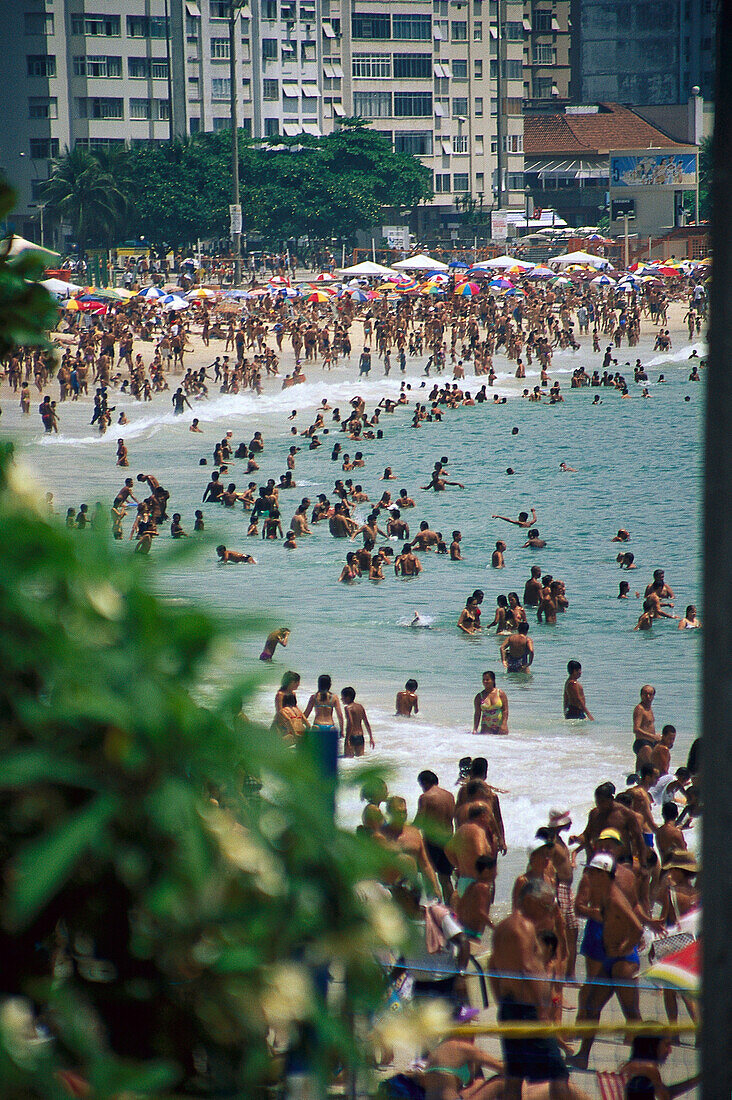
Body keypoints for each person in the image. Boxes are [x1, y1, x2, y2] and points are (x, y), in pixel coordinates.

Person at [489, 879, 572, 1099]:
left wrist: (502, 1002)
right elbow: (528, 969)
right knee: (558, 1074)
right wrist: (543, 1013)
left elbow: (492, 966)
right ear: (528, 901)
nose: (549, 913)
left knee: (515, 1077)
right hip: (529, 1012)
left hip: (511, 1008)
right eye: (546, 907)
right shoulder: (523, 927)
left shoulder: (503, 927)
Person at [569, 853, 644, 1070]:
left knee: (631, 1013)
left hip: (623, 962)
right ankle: (583, 1055)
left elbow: (637, 928)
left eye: (592, 872)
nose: (589, 875)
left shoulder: (613, 898)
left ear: (604, 874)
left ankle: (641, 1062)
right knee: (592, 1006)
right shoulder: (604, 896)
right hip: (611, 960)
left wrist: (623, 947)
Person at [415, 770, 456, 903]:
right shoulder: (449, 796)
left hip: (432, 842)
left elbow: (420, 821)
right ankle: (450, 909)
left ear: (424, 783)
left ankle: (434, 909)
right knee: (445, 878)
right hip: (449, 840)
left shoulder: (425, 797)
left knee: (429, 876)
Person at [304, 673, 344, 742]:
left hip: (317, 726)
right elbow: (340, 715)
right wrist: (342, 730)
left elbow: (306, 714)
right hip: (330, 726)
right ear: (329, 684)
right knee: (328, 751)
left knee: (317, 751)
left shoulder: (314, 697)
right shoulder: (334, 697)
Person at [341, 685, 374, 757]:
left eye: (342, 697)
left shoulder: (348, 708)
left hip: (352, 736)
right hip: (360, 737)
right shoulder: (360, 707)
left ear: (348, 697)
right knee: (359, 760)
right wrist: (371, 737)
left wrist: (347, 740)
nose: (341, 699)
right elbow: (366, 722)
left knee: (348, 761)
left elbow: (350, 724)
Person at [473, 671, 509, 735]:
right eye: (483, 680)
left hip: (499, 726)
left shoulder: (500, 693)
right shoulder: (479, 696)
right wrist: (475, 729)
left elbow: (505, 710)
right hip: (486, 727)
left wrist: (504, 724)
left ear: (493, 680)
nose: (485, 682)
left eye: (487, 680)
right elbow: (477, 714)